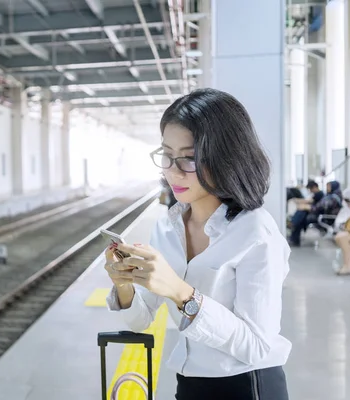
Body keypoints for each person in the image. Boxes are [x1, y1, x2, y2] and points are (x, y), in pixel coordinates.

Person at [104, 88, 291, 399]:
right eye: (166, 155)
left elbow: (257, 346)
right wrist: (123, 283)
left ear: (226, 158)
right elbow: (139, 321)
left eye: (189, 158)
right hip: (189, 384)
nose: (172, 171)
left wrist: (181, 293)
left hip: (248, 386)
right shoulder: (167, 227)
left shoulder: (256, 232)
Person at [288, 180, 342, 246]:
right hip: (322, 215)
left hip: (325, 218)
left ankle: (293, 228)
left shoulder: (333, 198)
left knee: (302, 216)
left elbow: (318, 207)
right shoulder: (331, 196)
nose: (327, 188)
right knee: (302, 214)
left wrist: (307, 207)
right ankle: (293, 232)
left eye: (329, 186)